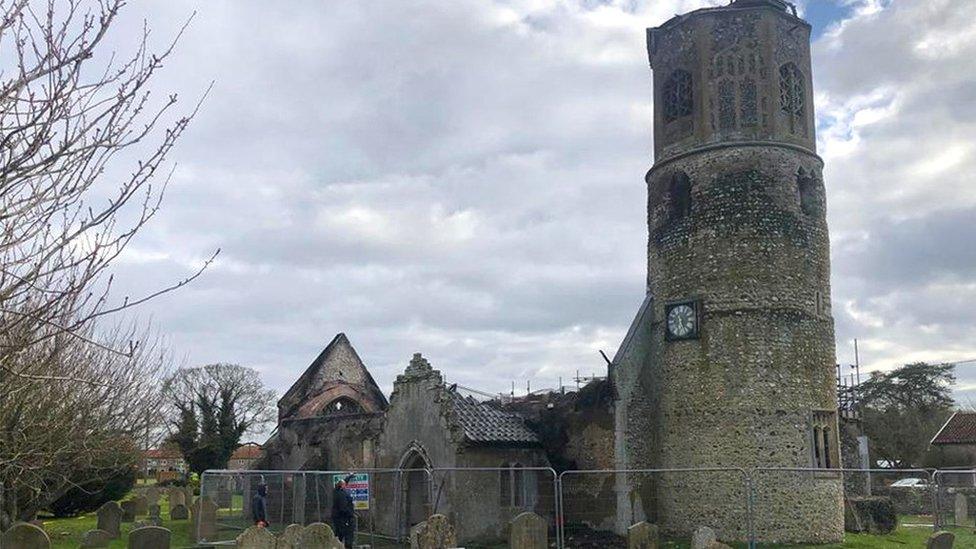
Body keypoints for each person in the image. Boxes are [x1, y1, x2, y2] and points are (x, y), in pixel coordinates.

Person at [331, 474, 356, 548]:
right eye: (344, 485)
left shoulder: (336, 491)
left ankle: (337, 546)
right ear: (342, 486)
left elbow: (343, 482)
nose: (346, 485)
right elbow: (343, 508)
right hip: (344, 518)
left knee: (338, 535)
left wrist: (349, 477)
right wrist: (351, 514)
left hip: (338, 518)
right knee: (347, 536)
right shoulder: (342, 495)